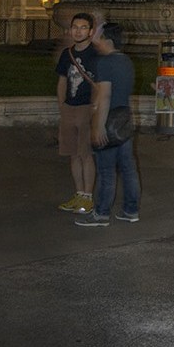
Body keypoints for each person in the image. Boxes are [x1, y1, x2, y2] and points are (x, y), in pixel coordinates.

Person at [76, 22, 141, 227]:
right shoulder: (126, 61)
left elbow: (104, 96)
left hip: (109, 121)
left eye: (100, 38)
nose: (96, 42)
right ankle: (131, 210)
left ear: (108, 41)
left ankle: (102, 213)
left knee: (106, 171)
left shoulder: (105, 63)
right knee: (129, 169)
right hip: (124, 121)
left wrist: (98, 126)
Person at [55, 12, 99, 214]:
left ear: (90, 31)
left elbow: (101, 84)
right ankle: (79, 193)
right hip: (69, 108)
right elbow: (62, 80)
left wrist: (95, 108)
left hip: (86, 109)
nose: (78, 31)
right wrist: (62, 105)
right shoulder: (67, 54)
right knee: (73, 154)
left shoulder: (96, 55)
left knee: (86, 154)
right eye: (75, 27)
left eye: (83, 28)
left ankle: (88, 196)